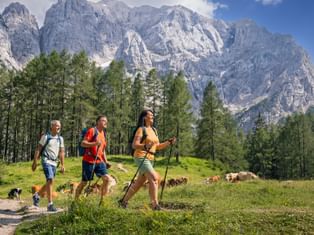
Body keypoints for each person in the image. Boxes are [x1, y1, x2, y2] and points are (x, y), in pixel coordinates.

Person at [119, 109, 176, 210]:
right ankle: (155, 205)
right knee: (154, 178)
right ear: (145, 117)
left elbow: (157, 146)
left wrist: (168, 142)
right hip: (141, 156)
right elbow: (134, 145)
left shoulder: (154, 130)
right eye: (151, 115)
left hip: (150, 158)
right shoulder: (141, 129)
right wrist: (145, 146)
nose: (153, 116)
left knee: (139, 183)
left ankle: (123, 201)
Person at [75, 115, 113, 204]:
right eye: (103, 120)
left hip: (99, 161)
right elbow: (83, 143)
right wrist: (94, 143)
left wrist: (106, 161)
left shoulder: (103, 133)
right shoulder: (92, 131)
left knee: (107, 179)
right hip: (89, 161)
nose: (105, 122)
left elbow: (102, 150)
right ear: (98, 122)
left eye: (106, 121)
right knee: (84, 182)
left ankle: (103, 202)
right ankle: (76, 201)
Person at [32, 120, 65, 212]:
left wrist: (62, 165)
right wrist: (35, 162)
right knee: (50, 179)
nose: (59, 127)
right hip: (46, 160)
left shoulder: (60, 139)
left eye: (60, 126)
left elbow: (62, 152)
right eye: (57, 125)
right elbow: (38, 149)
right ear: (52, 126)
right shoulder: (46, 137)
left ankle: (37, 195)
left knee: (49, 182)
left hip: (55, 163)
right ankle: (50, 204)